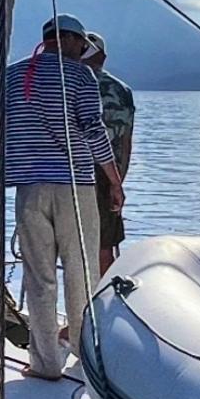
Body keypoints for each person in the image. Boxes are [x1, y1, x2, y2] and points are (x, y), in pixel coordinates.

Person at [5, 13, 122, 379]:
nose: (82, 52)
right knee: (81, 272)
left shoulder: (10, 76)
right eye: (81, 45)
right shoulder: (80, 76)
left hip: (29, 189)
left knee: (39, 278)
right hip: (75, 187)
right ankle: (84, 355)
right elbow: (93, 130)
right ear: (70, 40)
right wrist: (115, 181)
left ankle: (45, 364)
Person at [83, 32, 135, 276]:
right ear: (103, 57)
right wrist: (118, 181)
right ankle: (106, 292)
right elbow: (126, 141)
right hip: (109, 172)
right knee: (106, 246)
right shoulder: (122, 90)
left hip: (75, 171)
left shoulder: (71, 83)